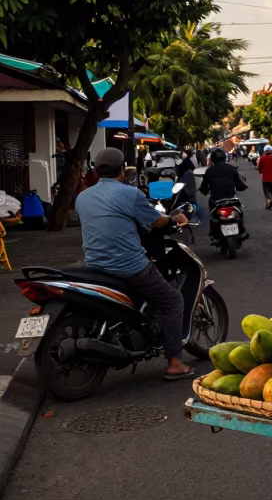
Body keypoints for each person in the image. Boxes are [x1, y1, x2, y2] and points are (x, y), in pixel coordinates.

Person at [74, 147, 194, 381]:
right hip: (129, 266)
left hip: (94, 266)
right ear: (121, 170)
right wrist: (175, 218)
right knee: (172, 300)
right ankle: (175, 363)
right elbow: (156, 222)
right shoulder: (130, 194)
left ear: (97, 171)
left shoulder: (82, 196)